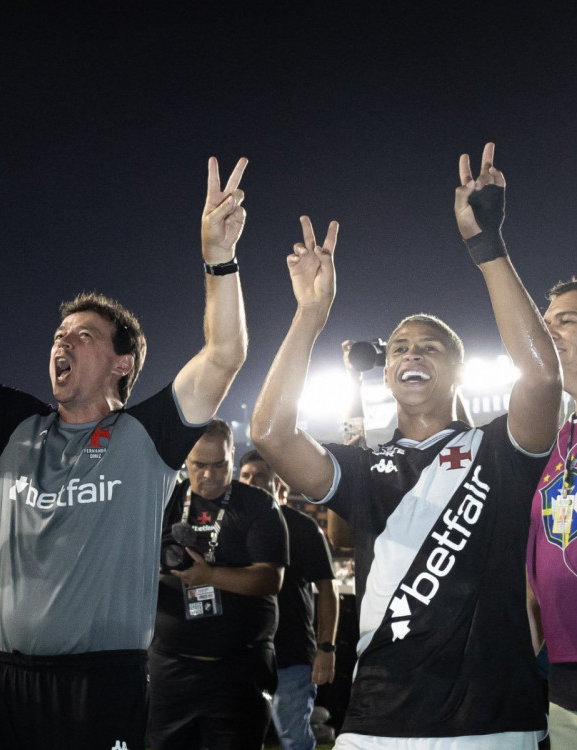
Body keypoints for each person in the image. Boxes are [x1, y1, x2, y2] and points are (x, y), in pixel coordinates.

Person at [0, 156, 249, 749]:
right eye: (59, 335)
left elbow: (224, 353)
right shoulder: (22, 427)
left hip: (101, 684)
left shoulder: (148, 436)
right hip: (7, 678)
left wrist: (218, 257)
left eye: (83, 336)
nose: (62, 341)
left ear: (122, 365)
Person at [251, 143, 561, 749]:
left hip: (494, 724)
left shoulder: (499, 448)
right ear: (387, 374)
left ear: (457, 371)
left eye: (429, 347)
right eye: (398, 348)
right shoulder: (366, 469)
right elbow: (270, 433)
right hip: (377, 726)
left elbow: (543, 378)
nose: (411, 353)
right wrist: (309, 315)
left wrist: (486, 245)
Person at [149, 422, 288, 750]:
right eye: (199, 465)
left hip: (238, 670)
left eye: (219, 465)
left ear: (233, 457)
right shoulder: (165, 499)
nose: (209, 475)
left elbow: (270, 578)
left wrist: (209, 576)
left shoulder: (258, 505)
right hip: (172, 667)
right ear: (186, 460)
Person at [238, 449, 337, 750]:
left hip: (292, 654)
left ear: (278, 483)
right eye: (245, 476)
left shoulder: (304, 528)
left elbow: (328, 592)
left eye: (260, 475)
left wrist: (327, 648)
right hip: (242, 654)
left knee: (293, 739)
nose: (252, 482)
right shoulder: (228, 526)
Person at [527, 275, 577, 747]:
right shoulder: (562, 438)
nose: (549, 333)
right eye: (545, 324)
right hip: (564, 665)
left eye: (568, 320)